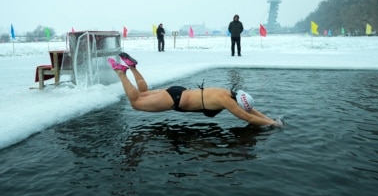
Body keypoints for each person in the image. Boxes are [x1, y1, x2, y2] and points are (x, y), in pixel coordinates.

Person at [107, 52, 281, 127]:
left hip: (179, 91)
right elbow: (248, 117)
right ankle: (121, 73)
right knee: (136, 103)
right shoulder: (226, 102)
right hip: (175, 99)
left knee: (143, 93)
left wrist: (269, 118)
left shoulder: (228, 93)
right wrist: (272, 123)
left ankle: (133, 67)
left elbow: (251, 109)